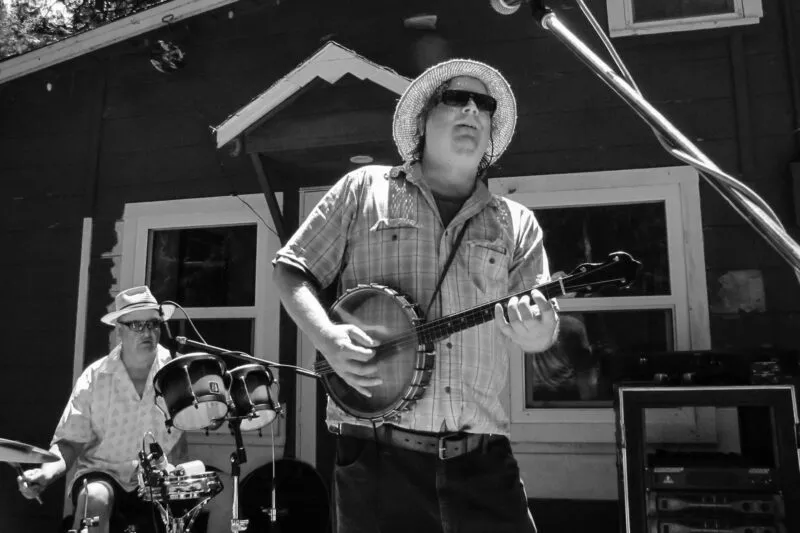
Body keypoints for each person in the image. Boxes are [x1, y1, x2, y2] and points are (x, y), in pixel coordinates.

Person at [272, 59, 560, 533]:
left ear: (491, 130)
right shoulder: (364, 189)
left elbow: (541, 330)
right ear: (423, 121)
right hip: (377, 460)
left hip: (483, 462)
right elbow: (290, 269)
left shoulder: (516, 221)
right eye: (456, 98)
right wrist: (326, 337)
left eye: (484, 105)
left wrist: (537, 328)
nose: (472, 109)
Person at [17, 286, 232, 533]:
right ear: (119, 330)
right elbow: (70, 442)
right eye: (137, 325)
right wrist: (45, 475)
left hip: (160, 477)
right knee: (95, 498)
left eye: (153, 323)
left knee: (226, 490)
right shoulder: (95, 378)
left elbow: (186, 428)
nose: (148, 332)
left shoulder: (178, 372)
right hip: (103, 473)